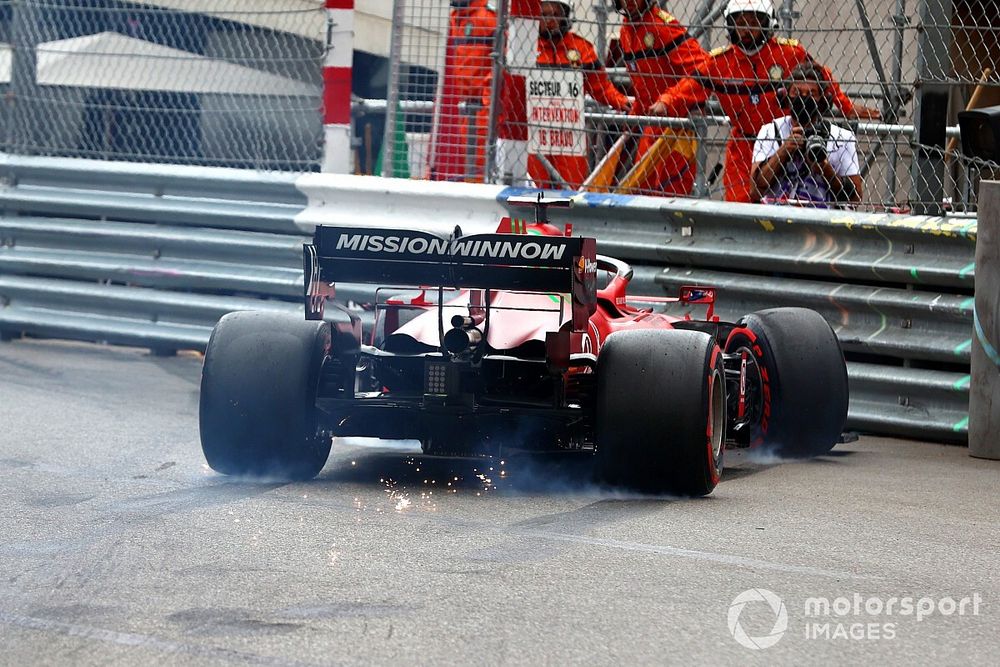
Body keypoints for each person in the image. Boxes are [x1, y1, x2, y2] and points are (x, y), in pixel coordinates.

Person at [649, 0, 879, 203]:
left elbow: (821, 77)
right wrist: (666, 102)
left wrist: (846, 107)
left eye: (753, 21)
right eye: (740, 22)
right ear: (731, 25)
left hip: (783, 140)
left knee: (780, 200)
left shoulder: (788, 53)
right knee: (739, 208)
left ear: (767, 24)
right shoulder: (720, 62)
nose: (746, 28)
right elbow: (689, 85)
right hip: (743, 145)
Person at [528, 0, 632, 188]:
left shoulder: (580, 48)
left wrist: (622, 102)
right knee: (532, 189)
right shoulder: (526, 48)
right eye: (544, 15)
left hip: (570, 134)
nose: (550, 21)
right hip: (534, 132)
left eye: (555, 15)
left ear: (565, 16)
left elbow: (600, 87)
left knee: (572, 189)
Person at [613, 0, 709, 195]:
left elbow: (705, 69)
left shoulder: (663, 26)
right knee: (639, 193)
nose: (629, 2)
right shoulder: (626, 32)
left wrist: (669, 100)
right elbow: (644, 86)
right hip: (651, 126)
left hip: (677, 129)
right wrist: (636, 113)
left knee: (669, 196)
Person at [750, 62, 863, 206]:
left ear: (823, 100)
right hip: (775, 219)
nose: (803, 99)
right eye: (796, 93)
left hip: (820, 221)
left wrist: (824, 167)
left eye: (811, 94)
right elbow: (755, 190)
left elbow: (855, 198)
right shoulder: (770, 131)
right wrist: (784, 151)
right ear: (786, 96)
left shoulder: (842, 137)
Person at [431, 0, 496, 182]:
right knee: (467, 163)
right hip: (465, 106)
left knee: (480, 166)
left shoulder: (488, 19)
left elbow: (501, 63)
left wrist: (486, 99)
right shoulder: (456, 17)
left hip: (483, 106)